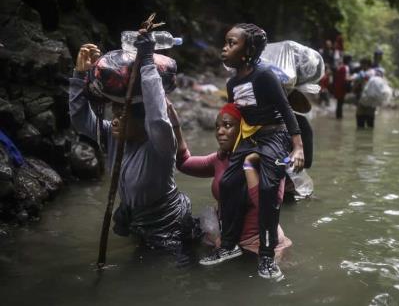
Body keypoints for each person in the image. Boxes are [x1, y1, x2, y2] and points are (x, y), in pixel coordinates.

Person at [69, 33, 194, 253]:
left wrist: (147, 63)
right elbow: (81, 122)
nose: (114, 119)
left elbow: (157, 116)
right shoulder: (113, 135)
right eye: (114, 111)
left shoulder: (160, 145)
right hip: (137, 220)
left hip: (168, 226)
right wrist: (79, 75)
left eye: (122, 113)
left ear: (142, 120)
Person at [198, 23, 304, 280]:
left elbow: (286, 109)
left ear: (249, 50)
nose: (224, 48)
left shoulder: (265, 75)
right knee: (229, 182)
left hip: (275, 136)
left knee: (268, 189)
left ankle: (267, 257)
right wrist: (228, 143)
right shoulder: (232, 83)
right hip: (251, 138)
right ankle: (229, 245)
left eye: (232, 43)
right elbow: (237, 117)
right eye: (225, 42)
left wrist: (297, 146)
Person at [167, 102, 292, 258]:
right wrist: (175, 127)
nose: (220, 131)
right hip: (227, 242)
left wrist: (248, 166)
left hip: (258, 246)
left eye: (227, 125)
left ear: (244, 129)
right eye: (217, 127)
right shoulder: (221, 159)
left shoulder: (267, 157)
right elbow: (184, 163)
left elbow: (269, 204)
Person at [333, 54, 352, 119]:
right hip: (342, 87)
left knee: (339, 103)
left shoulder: (340, 66)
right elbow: (346, 78)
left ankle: (338, 116)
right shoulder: (346, 67)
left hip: (337, 86)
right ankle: (339, 116)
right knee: (340, 102)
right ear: (348, 61)